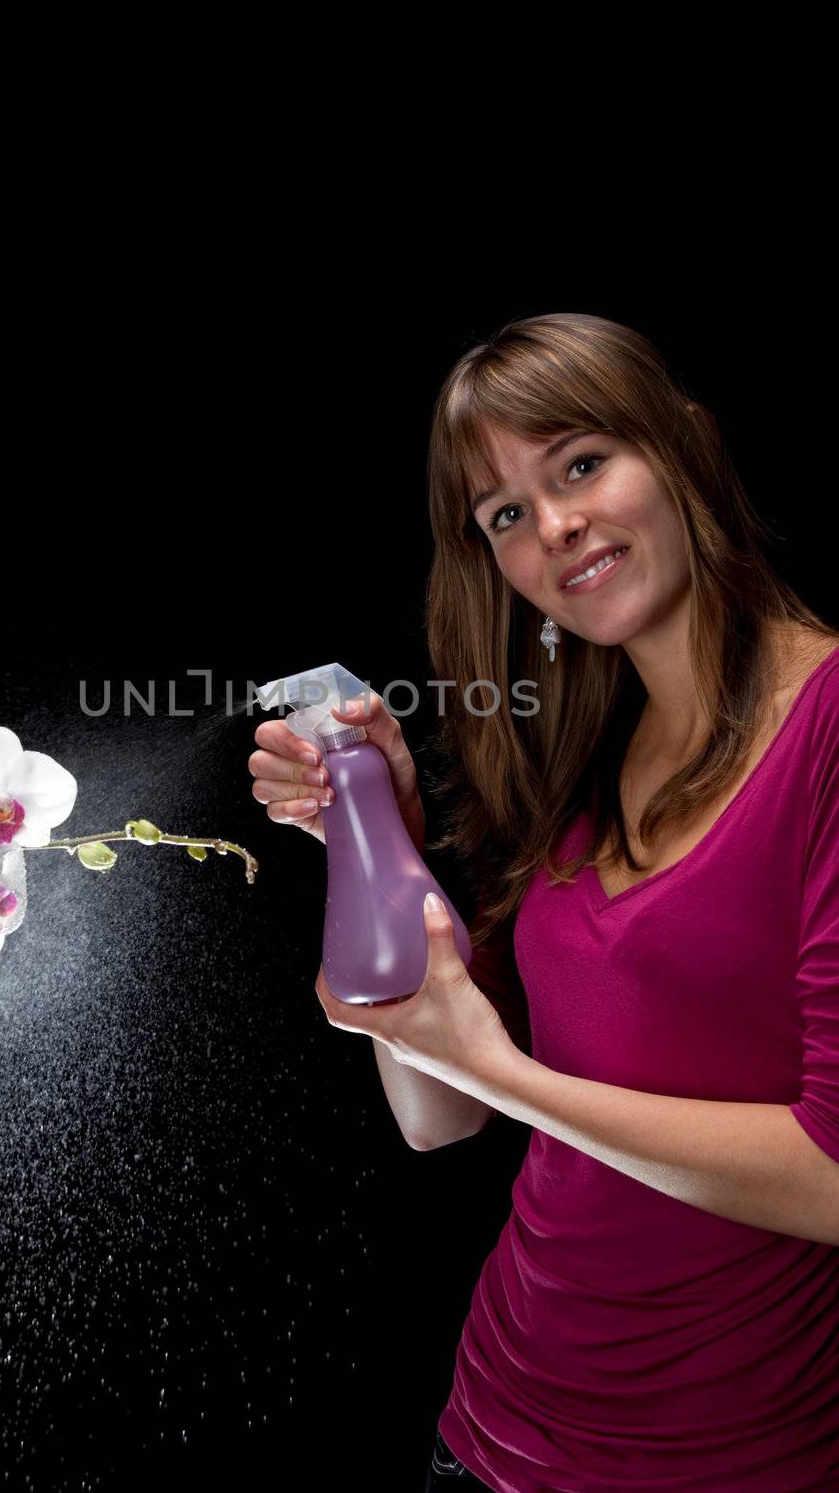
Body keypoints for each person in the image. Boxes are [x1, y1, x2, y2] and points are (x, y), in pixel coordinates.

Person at [248, 312, 839, 1491]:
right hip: (485, 1429)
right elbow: (435, 1116)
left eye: (579, 463)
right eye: (505, 513)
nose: (556, 525)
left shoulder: (823, 732)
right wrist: (376, 838)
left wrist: (500, 1073)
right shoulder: (577, 757)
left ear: (680, 448)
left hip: (716, 1467)